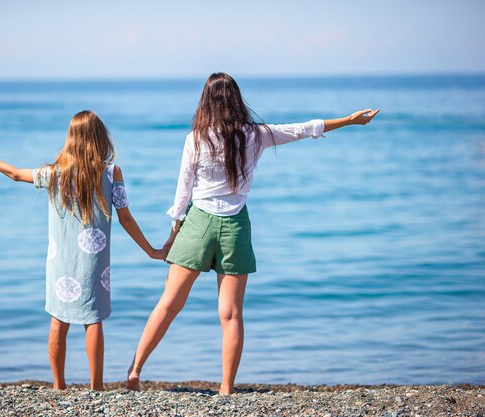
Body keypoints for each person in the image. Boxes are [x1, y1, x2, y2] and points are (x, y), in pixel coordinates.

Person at [126, 72, 380, 394]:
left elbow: (183, 193)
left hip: (198, 224)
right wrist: (349, 120)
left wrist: (172, 234)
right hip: (235, 227)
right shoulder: (255, 135)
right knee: (231, 314)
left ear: (206, 101)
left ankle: (135, 371)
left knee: (169, 303)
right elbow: (302, 129)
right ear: (236, 99)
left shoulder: (195, 138)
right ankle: (227, 387)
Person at [0, 110, 165, 390]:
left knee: (58, 320)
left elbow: (13, 174)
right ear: (99, 137)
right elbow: (126, 218)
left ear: (71, 138)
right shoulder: (111, 172)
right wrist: (151, 251)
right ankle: (96, 387)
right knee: (93, 321)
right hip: (95, 263)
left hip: (60, 263)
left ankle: (59, 384)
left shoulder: (53, 174)